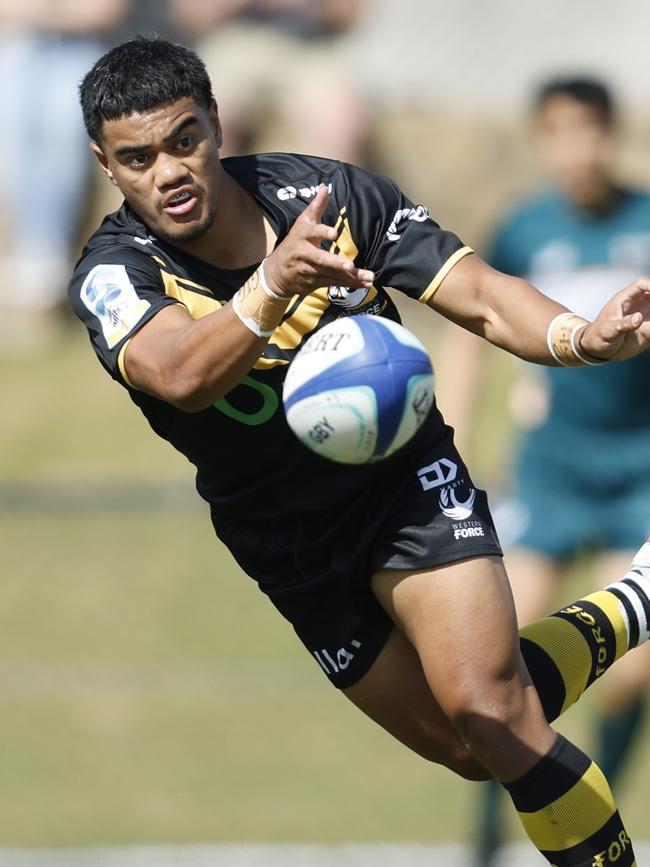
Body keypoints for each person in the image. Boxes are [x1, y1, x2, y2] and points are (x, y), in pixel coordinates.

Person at [69, 38, 650, 866]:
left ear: (216, 123)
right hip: (283, 535)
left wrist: (580, 337)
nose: (169, 171)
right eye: (138, 157)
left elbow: (480, 297)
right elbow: (179, 374)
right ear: (106, 163)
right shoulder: (115, 273)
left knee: (495, 712)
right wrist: (273, 287)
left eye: (184, 139)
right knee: (464, 743)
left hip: (402, 480)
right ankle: (635, 603)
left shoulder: (328, 196)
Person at [464, 77, 650, 866]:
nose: (576, 149)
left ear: (611, 134)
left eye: (589, 132)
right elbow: (473, 326)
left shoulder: (644, 220)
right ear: (541, 139)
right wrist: (454, 433)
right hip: (551, 470)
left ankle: (597, 802)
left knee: (631, 672)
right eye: (559, 133)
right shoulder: (523, 229)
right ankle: (484, 836)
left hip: (640, 468)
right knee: (496, 661)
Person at [0, 0, 131, 340]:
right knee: (14, 119)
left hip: (84, 53)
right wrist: (59, 12)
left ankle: (44, 272)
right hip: (16, 52)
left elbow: (100, 15)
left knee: (63, 127)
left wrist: (35, 12)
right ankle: (38, 270)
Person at [168, 0, 368, 161]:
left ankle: (329, 207)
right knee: (202, 118)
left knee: (338, 120)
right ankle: (219, 207)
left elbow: (351, 13)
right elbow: (190, 16)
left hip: (310, 48)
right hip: (234, 44)